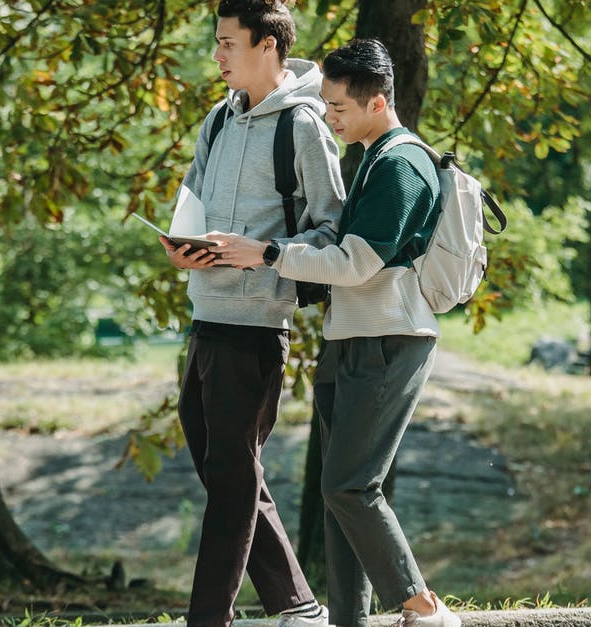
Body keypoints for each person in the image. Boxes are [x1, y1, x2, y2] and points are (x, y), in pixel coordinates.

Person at [210, 39, 463, 627]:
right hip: (352, 337)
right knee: (335, 492)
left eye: (340, 108)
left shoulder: (402, 164)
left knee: (352, 485)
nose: (329, 117)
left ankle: (422, 605)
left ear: (377, 103)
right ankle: (349, 618)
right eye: (326, 104)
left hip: (389, 340)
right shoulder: (374, 156)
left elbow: (354, 263)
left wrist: (268, 253)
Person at [159, 2, 345, 627]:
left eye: (227, 44)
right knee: (225, 468)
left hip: (259, 321)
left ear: (268, 46)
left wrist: (266, 254)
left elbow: (333, 233)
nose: (216, 54)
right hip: (206, 312)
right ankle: (298, 603)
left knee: (232, 474)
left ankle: (207, 617)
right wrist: (185, 248)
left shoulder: (304, 126)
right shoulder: (217, 120)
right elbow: (193, 203)